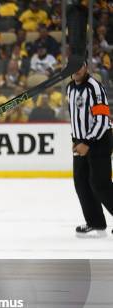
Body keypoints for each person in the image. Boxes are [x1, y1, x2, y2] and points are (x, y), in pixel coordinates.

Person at [66, 61, 113, 237]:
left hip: (99, 140)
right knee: (81, 183)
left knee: (100, 184)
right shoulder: (70, 88)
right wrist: (76, 139)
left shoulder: (95, 87)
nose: (77, 70)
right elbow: (75, 117)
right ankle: (95, 222)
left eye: (80, 66)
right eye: (73, 67)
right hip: (81, 142)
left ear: (86, 68)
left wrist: (88, 143)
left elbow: (102, 119)